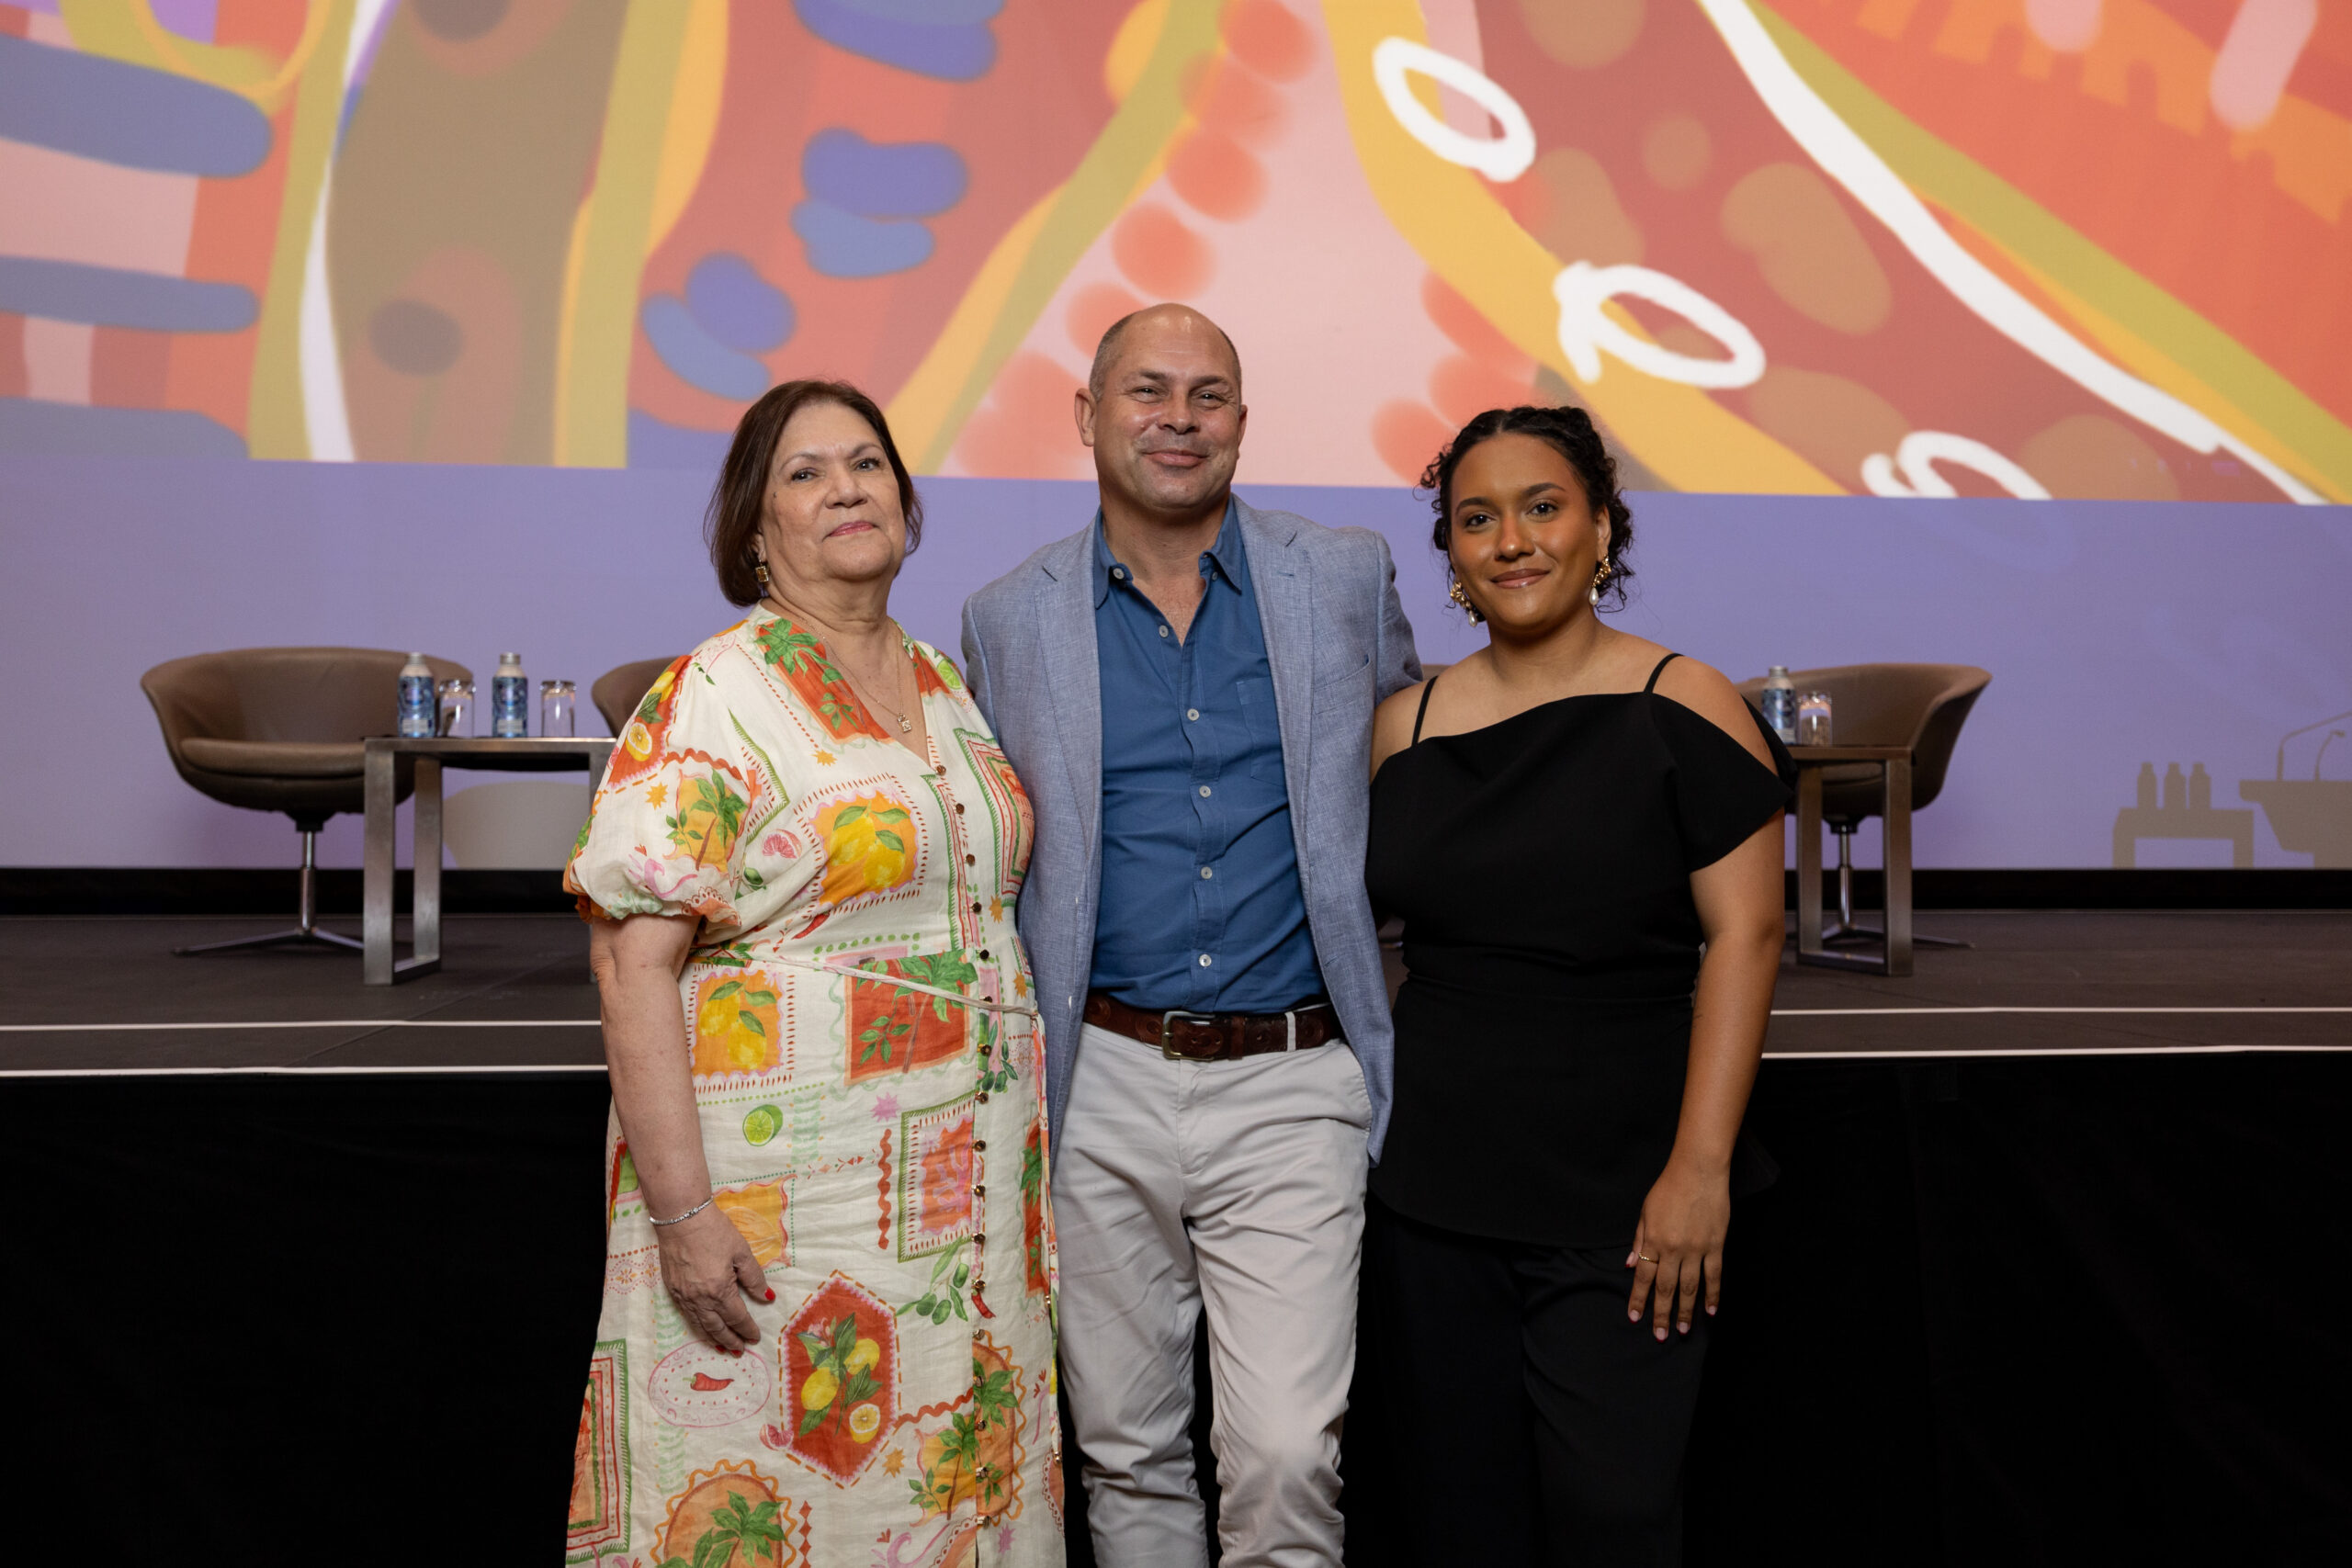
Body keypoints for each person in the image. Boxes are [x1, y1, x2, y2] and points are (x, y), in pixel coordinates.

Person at [563, 380, 1060, 1566]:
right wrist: (685, 1215)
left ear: (905, 498)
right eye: (806, 471)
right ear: (756, 526)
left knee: (950, 1492)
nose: (846, 487)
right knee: (778, 1502)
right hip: (783, 1214)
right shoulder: (715, 693)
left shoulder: (944, 682)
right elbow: (630, 959)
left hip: (963, 1212)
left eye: (867, 462)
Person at [961, 304, 1419, 1567]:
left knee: (1286, 1454)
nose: (1179, 418)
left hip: (1294, 1074)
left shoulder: (1343, 576)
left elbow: (1416, 772)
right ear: (1087, 414)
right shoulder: (1006, 617)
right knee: (1129, 1456)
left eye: (1207, 395)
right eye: (1148, 390)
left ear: (1242, 422)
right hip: (1097, 1075)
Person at [1361, 404, 1791, 1565]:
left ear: (1601, 527)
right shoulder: (1404, 727)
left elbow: (1747, 938)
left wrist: (1699, 1172)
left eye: (1542, 508)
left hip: (1627, 1197)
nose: (1511, 541)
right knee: (1458, 1519)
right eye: (1476, 519)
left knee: (1614, 1517)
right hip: (1431, 1194)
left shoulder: (1685, 703)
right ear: (1451, 553)